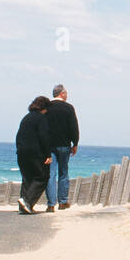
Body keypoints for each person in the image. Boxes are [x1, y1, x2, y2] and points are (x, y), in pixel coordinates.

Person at [45, 83, 80, 211]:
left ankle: (50, 204)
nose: (67, 96)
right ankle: (63, 202)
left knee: (50, 174)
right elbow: (74, 127)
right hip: (64, 145)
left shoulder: (47, 107)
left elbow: (43, 127)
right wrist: (75, 143)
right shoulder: (69, 108)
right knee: (63, 173)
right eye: (66, 93)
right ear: (62, 94)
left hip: (49, 146)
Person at [15, 96, 53, 214]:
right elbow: (44, 137)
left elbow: (18, 135)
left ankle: (25, 207)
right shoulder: (41, 118)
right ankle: (27, 201)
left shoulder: (26, 118)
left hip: (21, 152)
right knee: (43, 176)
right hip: (35, 152)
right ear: (44, 108)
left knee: (27, 179)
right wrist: (48, 154)